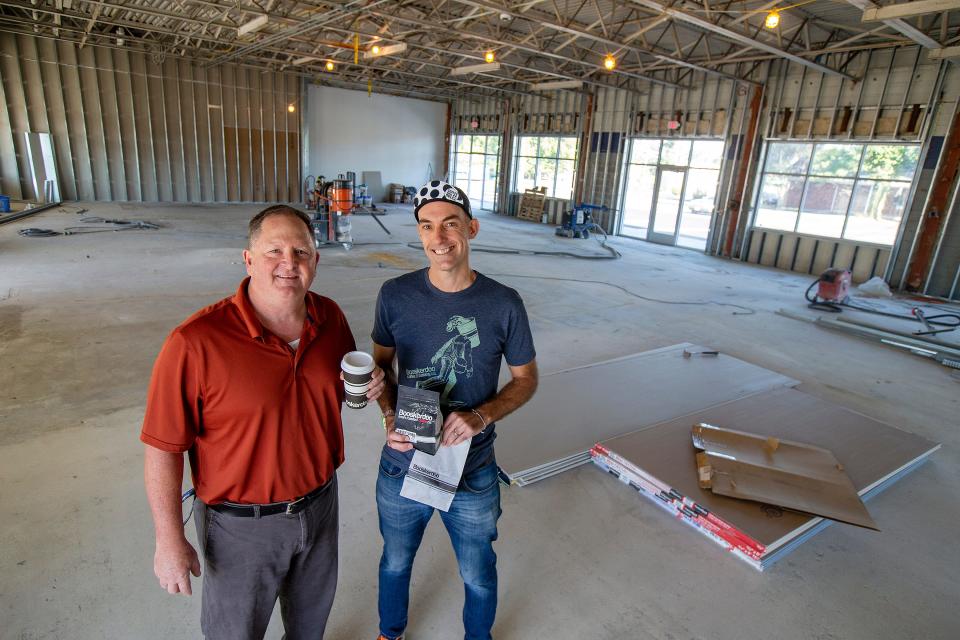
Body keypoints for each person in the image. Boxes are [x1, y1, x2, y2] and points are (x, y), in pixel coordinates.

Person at [141, 204, 384, 640]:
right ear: (248, 258)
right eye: (274, 251)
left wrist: (370, 388)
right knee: (236, 632)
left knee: (310, 625)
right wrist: (167, 540)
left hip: (320, 506)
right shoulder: (195, 343)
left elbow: (327, 397)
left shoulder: (330, 319)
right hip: (240, 527)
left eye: (301, 252)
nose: (288, 263)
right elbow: (163, 446)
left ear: (316, 261)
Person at [371, 180, 538, 640]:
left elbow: (526, 380)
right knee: (396, 560)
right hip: (403, 460)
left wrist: (481, 416)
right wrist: (388, 416)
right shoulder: (395, 295)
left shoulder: (504, 303)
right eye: (427, 226)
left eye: (450, 224)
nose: (438, 238)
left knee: (478, 573)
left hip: (474, 469)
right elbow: (380, 369)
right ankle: (391, 632)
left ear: (472, 228)